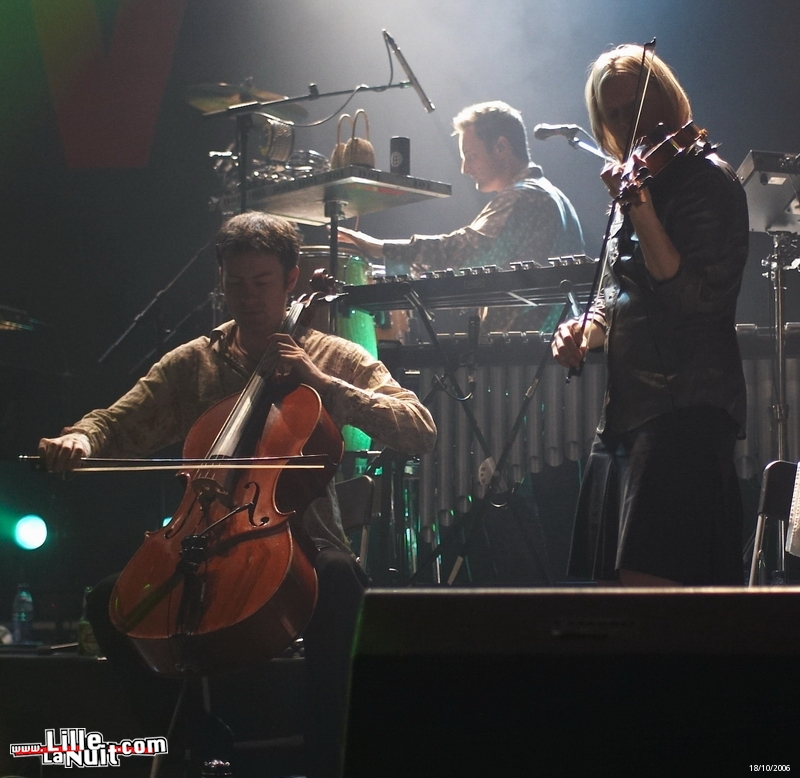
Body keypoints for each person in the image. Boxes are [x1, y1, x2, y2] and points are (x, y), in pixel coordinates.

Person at [38, 211, 437, 776]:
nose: (247, 299)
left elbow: (417, 428)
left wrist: (321, 384)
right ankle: (194, 739)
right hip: (200, 538)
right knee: (111, 605)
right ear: (221, 282)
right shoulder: (194, 363)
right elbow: (117, 421)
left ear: (291, 279)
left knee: (344, 583)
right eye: (235, 285)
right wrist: (80, 436)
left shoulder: (333, 355)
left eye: (262, 284)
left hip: (303, 539)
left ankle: (328, 759)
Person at [551, 45, 748, 587]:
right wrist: (580, 333)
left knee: (652, 600)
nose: (630, 122)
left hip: (684, 410)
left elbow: (690, 296)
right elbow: (613, 297)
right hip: (626, 414)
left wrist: (639, 207)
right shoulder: (641, 183)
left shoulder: (707, 179)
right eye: (614, 115)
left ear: (666, 95)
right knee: (603, 598)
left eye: (638, 104)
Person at [339, 100, 584, 332]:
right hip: (550, 352)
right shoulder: (554, 196)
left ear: (501, 147)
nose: (465, 168)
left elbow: (466, 252)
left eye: (471, 155)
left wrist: (383, 248)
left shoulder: (525, 198)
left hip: (527, 358)